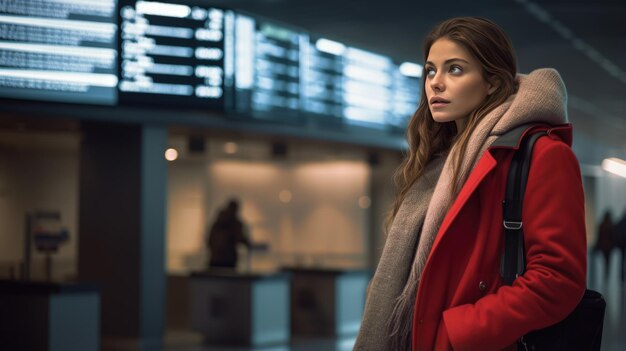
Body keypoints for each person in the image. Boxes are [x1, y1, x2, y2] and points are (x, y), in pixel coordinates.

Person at [354, 17, 586, 351]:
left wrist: (458, 334)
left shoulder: (541, 154)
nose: (436, 83)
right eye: (431, 70)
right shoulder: (439, 161)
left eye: (455, 70)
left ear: (492, 82)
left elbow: (558, 279)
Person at [206, 199, 250, 269]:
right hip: (228, 260)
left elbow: (209, 240)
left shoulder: (217, 223)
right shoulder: (235, 224)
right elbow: (240, 238)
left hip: (215, 258)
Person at [594, 211, 614, 279]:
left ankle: (605, 275)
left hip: (603, 246)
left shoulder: (602, 225)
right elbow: (613, 237)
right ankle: (607, 275)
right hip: (609, 247)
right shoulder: (611, 225)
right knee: (608, 262)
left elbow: (599, 237)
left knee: (604, 261)